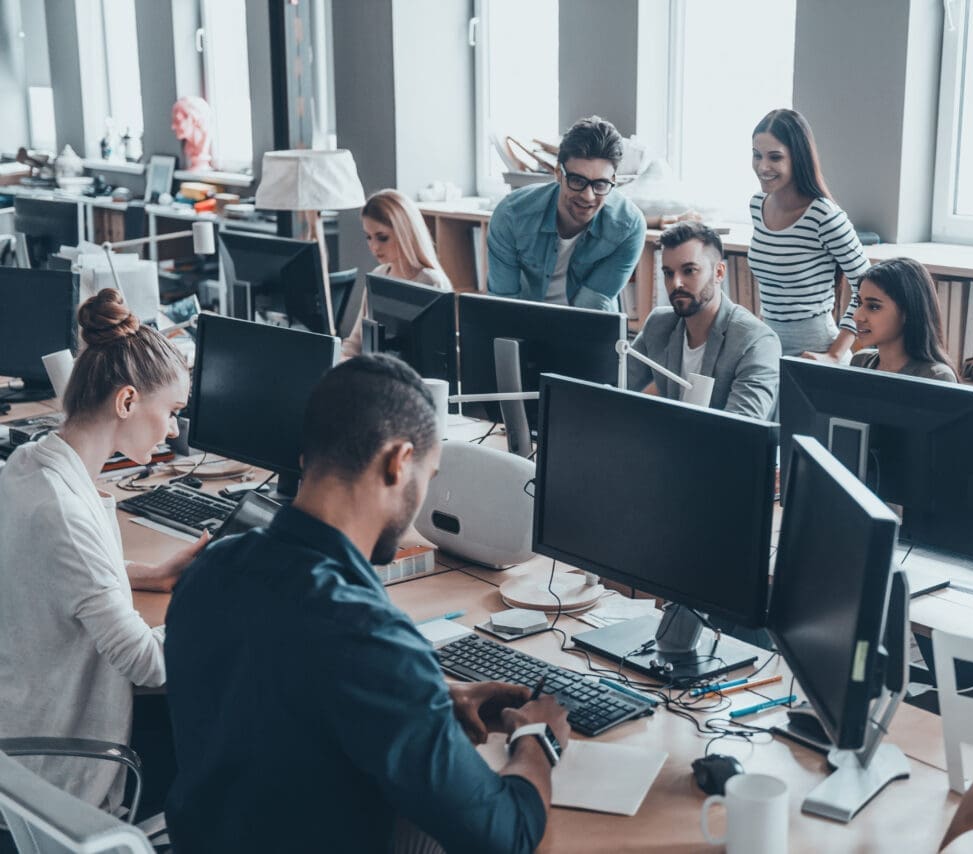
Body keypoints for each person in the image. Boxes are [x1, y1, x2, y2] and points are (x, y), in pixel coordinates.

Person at [164, 354, 568, 854]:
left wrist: (433, 695)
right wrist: (537, 740)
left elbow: (283, 677)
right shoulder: (367, 634)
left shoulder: (212, 570)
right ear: (399, 462)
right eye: (429, 473)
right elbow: (508, 837)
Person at [0, 289, 204, 811]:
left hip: (25, 715)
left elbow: (46, 570)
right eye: (173, 411)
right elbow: (146, 663)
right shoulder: (62, 511)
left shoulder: (29, 463)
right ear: (128, 401)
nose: (175, 430)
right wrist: (229, 628)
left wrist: (143, 573)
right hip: (62, 765)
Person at [487, 116, 646, 310]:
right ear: (557, 173)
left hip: (588, 328)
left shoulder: (629, 227)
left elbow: (593, 306)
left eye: (600, 184)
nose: (588, 196)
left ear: (613, 180)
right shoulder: (511, 216)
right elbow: (503, 304)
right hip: (524, 324)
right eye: (577, 181)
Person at [748, 108, 871, 357]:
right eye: (757, 155)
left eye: (775, 157)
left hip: (816, 348)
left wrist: (835, 355)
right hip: (768, 344)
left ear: (798, 158)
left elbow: (867, 286)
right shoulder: (756, 205)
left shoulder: (824, 216)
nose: (763, 166)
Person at [628, 222, 781, 419]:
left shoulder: (756, 342)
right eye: (668, 273)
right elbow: (615, 386)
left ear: (719, 273)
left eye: (689, 270)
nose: (676, 283)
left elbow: (742, 430)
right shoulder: (659, 324)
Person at [341, 189, 453, 358]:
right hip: (374, 373)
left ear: (404, 232)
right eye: (368, 237)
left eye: (382, 237)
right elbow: (356, 342)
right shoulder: (378, 275)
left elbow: (438, 357)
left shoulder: (431, 282)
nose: (374, 247)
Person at [808, 257, 957, 382]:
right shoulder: (860, 362)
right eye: (860, 303)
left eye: (873, 307)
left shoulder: (937, 376)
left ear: (908, 312)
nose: (857, 316)